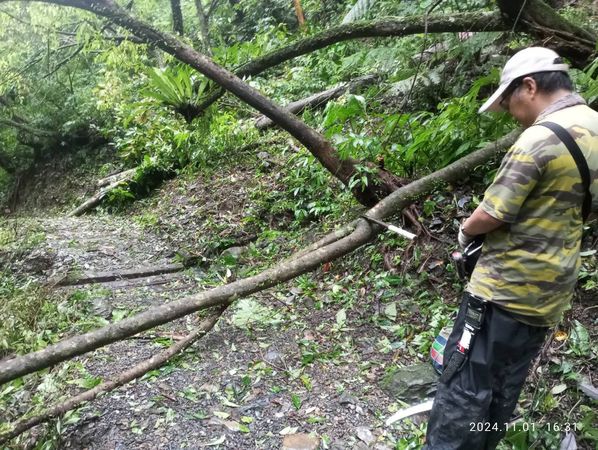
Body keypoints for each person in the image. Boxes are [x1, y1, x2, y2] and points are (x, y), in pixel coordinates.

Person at [423, 47, 598, 449]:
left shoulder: (538, 139)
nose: (512, 113)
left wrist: (465, 234)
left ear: (530, 86)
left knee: (463, 387)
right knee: (503, 389)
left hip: (502, 292)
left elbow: (493, 213)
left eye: (509, 102)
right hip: (549, 296)